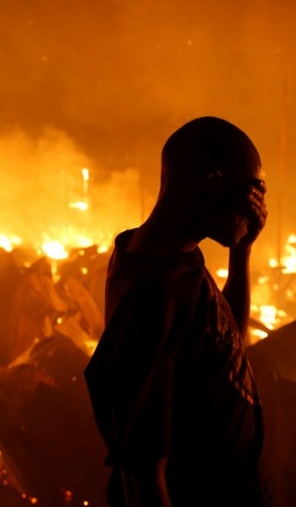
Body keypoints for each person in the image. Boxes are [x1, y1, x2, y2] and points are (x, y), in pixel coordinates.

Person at [84, 116, 270, 506]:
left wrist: (242, 252)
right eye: (252, 190)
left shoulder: (177, 259)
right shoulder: (154, 296)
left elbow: (229, 337)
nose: (258, 207)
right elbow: (143, 473)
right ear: (214, 181)